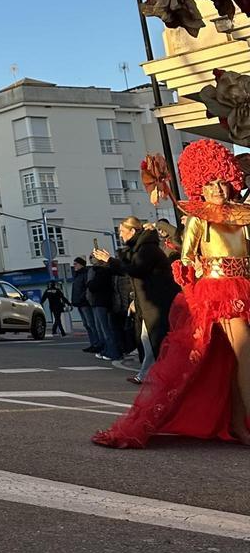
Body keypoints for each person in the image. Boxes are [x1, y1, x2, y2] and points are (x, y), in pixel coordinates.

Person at [94, 139, 250, 448]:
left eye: (221, 181)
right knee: (244, 351)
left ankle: (237, 423)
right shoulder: (198, 218)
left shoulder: (243, 215)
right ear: (199, 187)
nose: (217, 188)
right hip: (217, 292)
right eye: (210, 183)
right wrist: (189, 269)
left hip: (245, 287)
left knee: (234, 361)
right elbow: (188, 256)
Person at [94, 217, 179, 385]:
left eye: (122, 231)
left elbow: (136, 270)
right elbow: (130, 271)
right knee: (147, 339)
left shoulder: (147, 248)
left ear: (132, 231)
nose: (120, 235)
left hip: (158, 301)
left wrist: (110, 260)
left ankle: (164, 374)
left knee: (155, 339)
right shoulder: (138, 248)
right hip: (146, 301)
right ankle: (149, 373)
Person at [86, 255, 123, 360]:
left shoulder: (102, 272)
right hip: (102, 302)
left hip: (101, 302)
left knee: (105, 328)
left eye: (93, 258)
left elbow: (93, 286)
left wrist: (89, 283)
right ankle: (108, 350)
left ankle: (113, 352)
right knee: (104, 328)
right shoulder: (104, 271)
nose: (92, 261)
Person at [69, 258, 101, 352]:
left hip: (85, 303)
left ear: (81, 264)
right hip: (80, 303)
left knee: (91, 324)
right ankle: (93, 343)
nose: (74, 265)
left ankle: (97, 343)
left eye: (76, 264)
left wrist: (82, 298)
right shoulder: (78, 275)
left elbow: (85, 289)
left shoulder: (85, 274)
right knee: (87, 324)